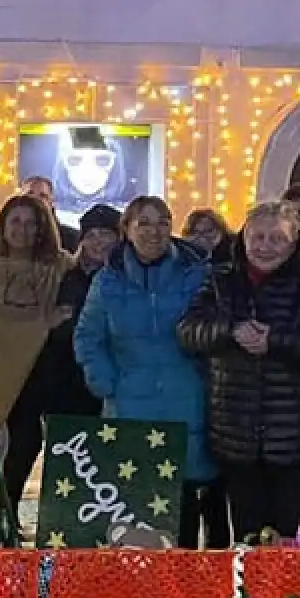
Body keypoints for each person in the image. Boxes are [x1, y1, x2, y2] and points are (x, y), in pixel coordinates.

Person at [178, 201, 300, 543]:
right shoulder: (222, 280)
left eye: (276, 238)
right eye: (256, 237)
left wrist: (277, 341)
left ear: (294, 242)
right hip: (239, 438)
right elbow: (188, 331)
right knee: (251, 543)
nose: (264, 246)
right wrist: (230, 331)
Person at [76, 197, 225, 548]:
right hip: (129, 401)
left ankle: (184, 589)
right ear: (127, 230)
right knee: (134, 500)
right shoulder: (107, 280)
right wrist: (103, 378)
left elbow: (213, 325)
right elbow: (88, 334)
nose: (153, 231)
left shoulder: (198, 273)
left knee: (184, 497)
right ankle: (143, 590)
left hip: (185, 398)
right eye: (143, 222)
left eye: (162, 221)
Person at [0, 203, 115, 536]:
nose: (98, 242)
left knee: (84, 457)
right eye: (91, 235)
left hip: (91, 381)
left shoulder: (118, 275)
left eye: (106, 234)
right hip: (49, 376)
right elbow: (53, 323)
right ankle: (9, 521)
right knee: (27, 449)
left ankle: (73, 526)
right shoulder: (66, 273)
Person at [0, 194, 71, 479]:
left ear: (41, 229)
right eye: (15, 221)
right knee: (3, 456)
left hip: (42, 377)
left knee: (37, 450)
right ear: (3, 226)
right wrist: (43, 321)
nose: (22, 229)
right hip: (2, 379)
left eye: (30, 223)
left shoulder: (55, 267)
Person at [22, 176, 79, 252]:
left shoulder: (73, 238)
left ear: (52, 202)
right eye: (30, 194)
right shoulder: (8, 234)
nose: (35, 199)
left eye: (42, 196)